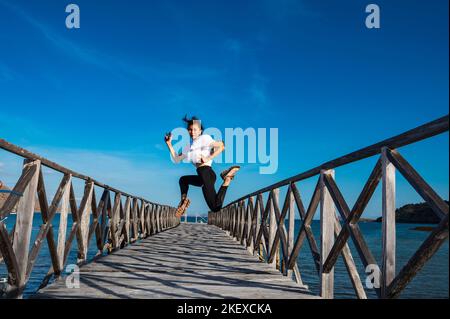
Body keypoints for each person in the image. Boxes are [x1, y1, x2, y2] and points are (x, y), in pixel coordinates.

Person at [165, 115, 240, 217]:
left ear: (200, 131)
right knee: (183, 180)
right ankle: (183, 201)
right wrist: (169, 143)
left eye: (195, 130)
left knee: (215, 207)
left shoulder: (204, 138)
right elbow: (176, 159)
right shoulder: (189, 147)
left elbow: (222, 146)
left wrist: (208, 158)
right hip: (202, 176)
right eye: (190, 130)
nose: (192, 132)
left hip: (206, 173)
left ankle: (227, 179)